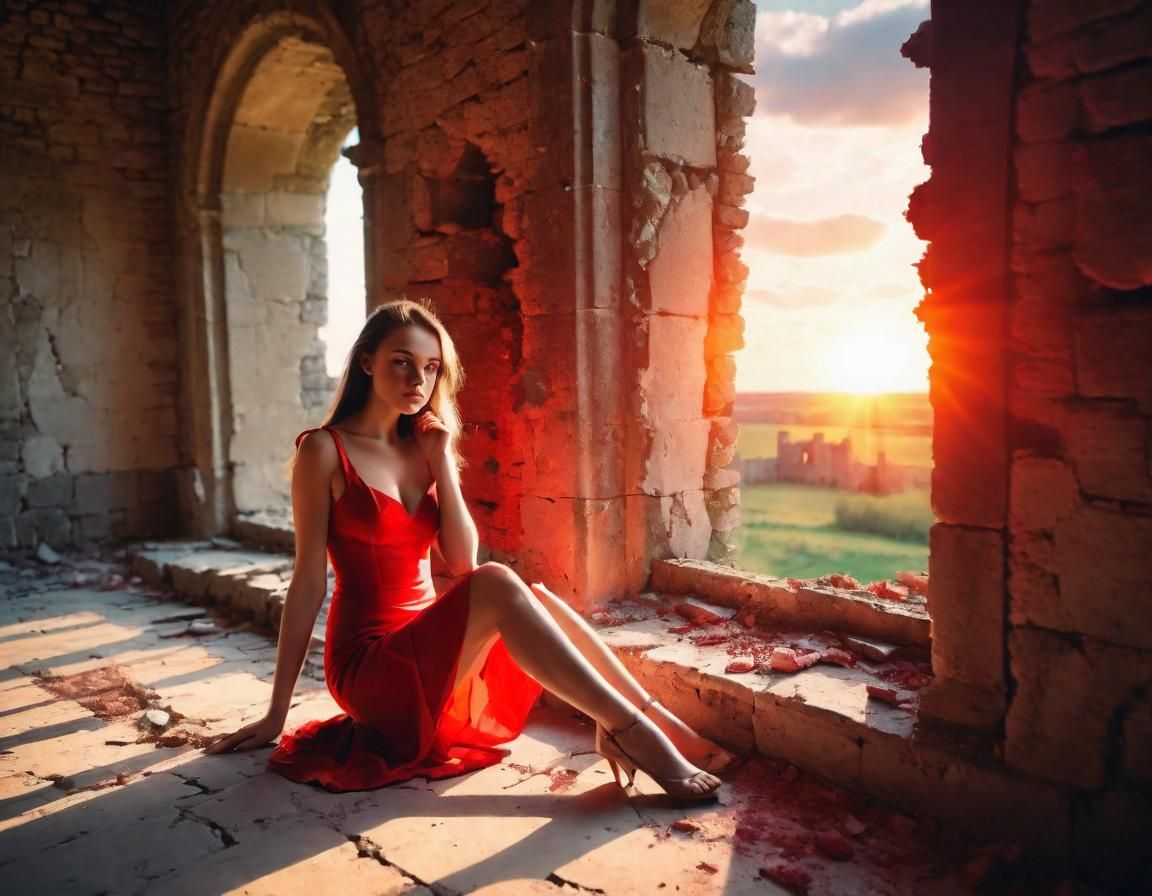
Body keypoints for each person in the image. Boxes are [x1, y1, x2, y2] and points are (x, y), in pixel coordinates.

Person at [203, 299, 737, 801]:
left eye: (432, 368)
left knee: (538, 598)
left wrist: (441, 462)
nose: (419, 379)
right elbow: (307, 583)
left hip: (431, 651)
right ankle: (631, 732)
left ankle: (660, 727)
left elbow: (460, 563)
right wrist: (276, 714)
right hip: (369, 666)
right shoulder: (323, 449)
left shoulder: (425, 445)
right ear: (366, 363)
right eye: (402, 362)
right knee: (499, 584)